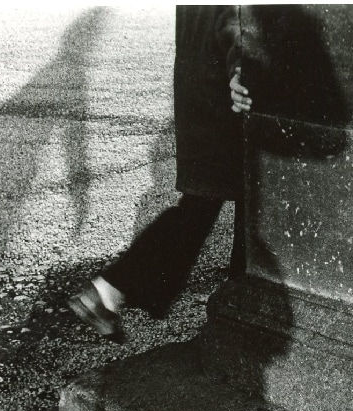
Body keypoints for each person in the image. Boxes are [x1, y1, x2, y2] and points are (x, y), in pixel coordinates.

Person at [69, 6, 253, 340]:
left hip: (199, 94)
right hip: (225, 101)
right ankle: (243, 316)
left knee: (203, 207)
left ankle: (110, 289)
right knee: (249, 205)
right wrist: (240, 69)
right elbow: (234, 20)